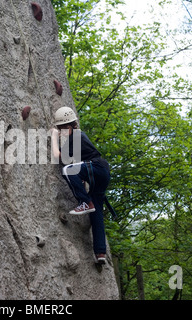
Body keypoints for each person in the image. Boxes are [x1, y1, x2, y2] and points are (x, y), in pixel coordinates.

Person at [51, 107, 111, 264]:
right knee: (96, 213)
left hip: (96, 168)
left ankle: (84, 202)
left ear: (69, 127)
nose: (61, 132)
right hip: (101, 171)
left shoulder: (75, 136)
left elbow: (59, 157)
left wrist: (53, 137)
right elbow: (77, 160)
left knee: (67, 170)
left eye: (62, 129)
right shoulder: (78, 136)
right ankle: (100, 253)